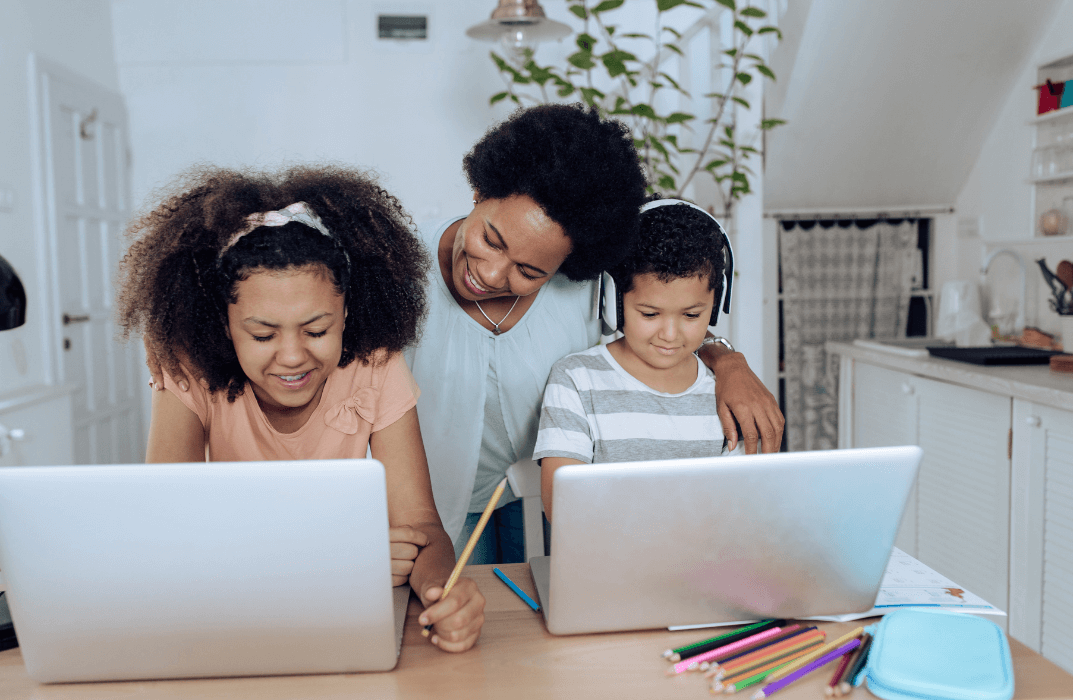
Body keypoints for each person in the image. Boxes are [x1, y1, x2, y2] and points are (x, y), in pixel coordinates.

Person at [148, 105, 784, 565]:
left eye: (530, 271)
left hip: (550, 504)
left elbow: (663, 317)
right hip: (440, 519)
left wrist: (726, 359)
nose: (490, 273)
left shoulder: (585, 290)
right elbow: (290, 307)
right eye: (491, 238)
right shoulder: (391, 273)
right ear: (479, 190)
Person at [117, 165, 485, 652]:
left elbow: (421, 529)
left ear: (347, 313)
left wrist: (444, 590)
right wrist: (344, 556)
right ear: (225, 326)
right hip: (235, 625)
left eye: (316, 330)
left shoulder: (375, 365)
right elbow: (168, 530)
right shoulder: (190, 369)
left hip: (342, 626)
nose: (292, 356)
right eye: (262, 334)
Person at [533, 199, 741, 520]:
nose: (670, 334)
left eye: (691, 314)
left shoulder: (727, 392)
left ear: (716, 305)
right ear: (614, 302)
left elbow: (742, 505)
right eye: (649, 313)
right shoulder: (575, 379)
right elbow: (561, 507)